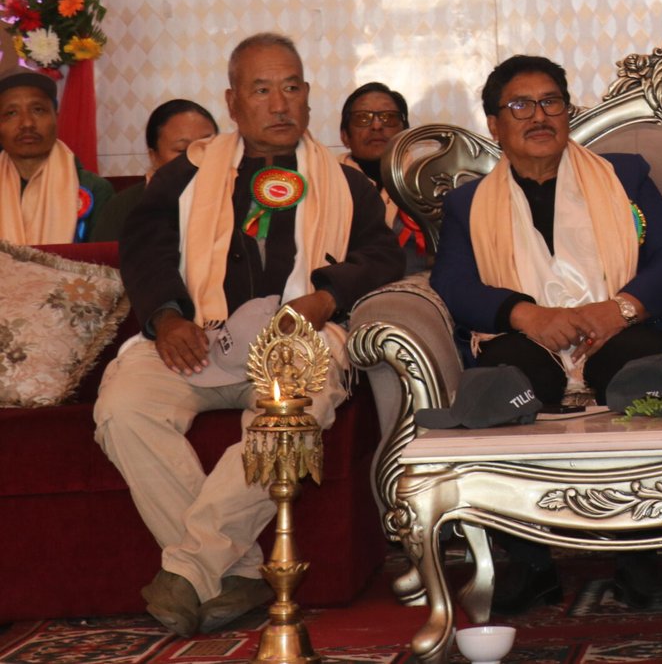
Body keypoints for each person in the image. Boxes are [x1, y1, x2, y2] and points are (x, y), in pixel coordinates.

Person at [95, 33, 404, 636]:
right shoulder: (186, 175)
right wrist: (167, 318)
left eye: (291, 88)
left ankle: (190, 571)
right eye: (261, 90)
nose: (279, 104)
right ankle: (233, 571)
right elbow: (144, 249)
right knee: (123, 407)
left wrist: (326, 296)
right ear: (232, 102)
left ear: (308, 96)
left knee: (293, 413)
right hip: (198, 336)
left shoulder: (345, 183)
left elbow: (383, 256)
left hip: (297, 337)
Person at [430, 54, 662, 611]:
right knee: (505, 387)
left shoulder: (625, 176)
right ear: (494, 125)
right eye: (520, 106)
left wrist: (621, 308)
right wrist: (525, 315)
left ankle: (637, 553)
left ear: (569, 112)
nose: (539, 116)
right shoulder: (467, 204)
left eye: (551, 102)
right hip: (527, 340)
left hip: (619, 332)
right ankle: (530, 563)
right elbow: (452, 284)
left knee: (641, 374)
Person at [0, 67, 112, 243]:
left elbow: (104, 258)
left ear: (56, 117)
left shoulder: (93, 189)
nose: (27, 123)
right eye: (12, 113)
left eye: (38, 110)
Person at [91, 100, 219, 242]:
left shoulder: (233, 194)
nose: (198, 156)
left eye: (207, 146)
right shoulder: (124, 206)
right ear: (154, 157)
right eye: (182, 150)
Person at [338, 82, 428, 274]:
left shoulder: (429, 180)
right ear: (345, 136)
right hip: (341, 283)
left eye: (389, 117)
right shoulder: (326, 181)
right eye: (363, 118)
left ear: (405, 133)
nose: (377, 126)